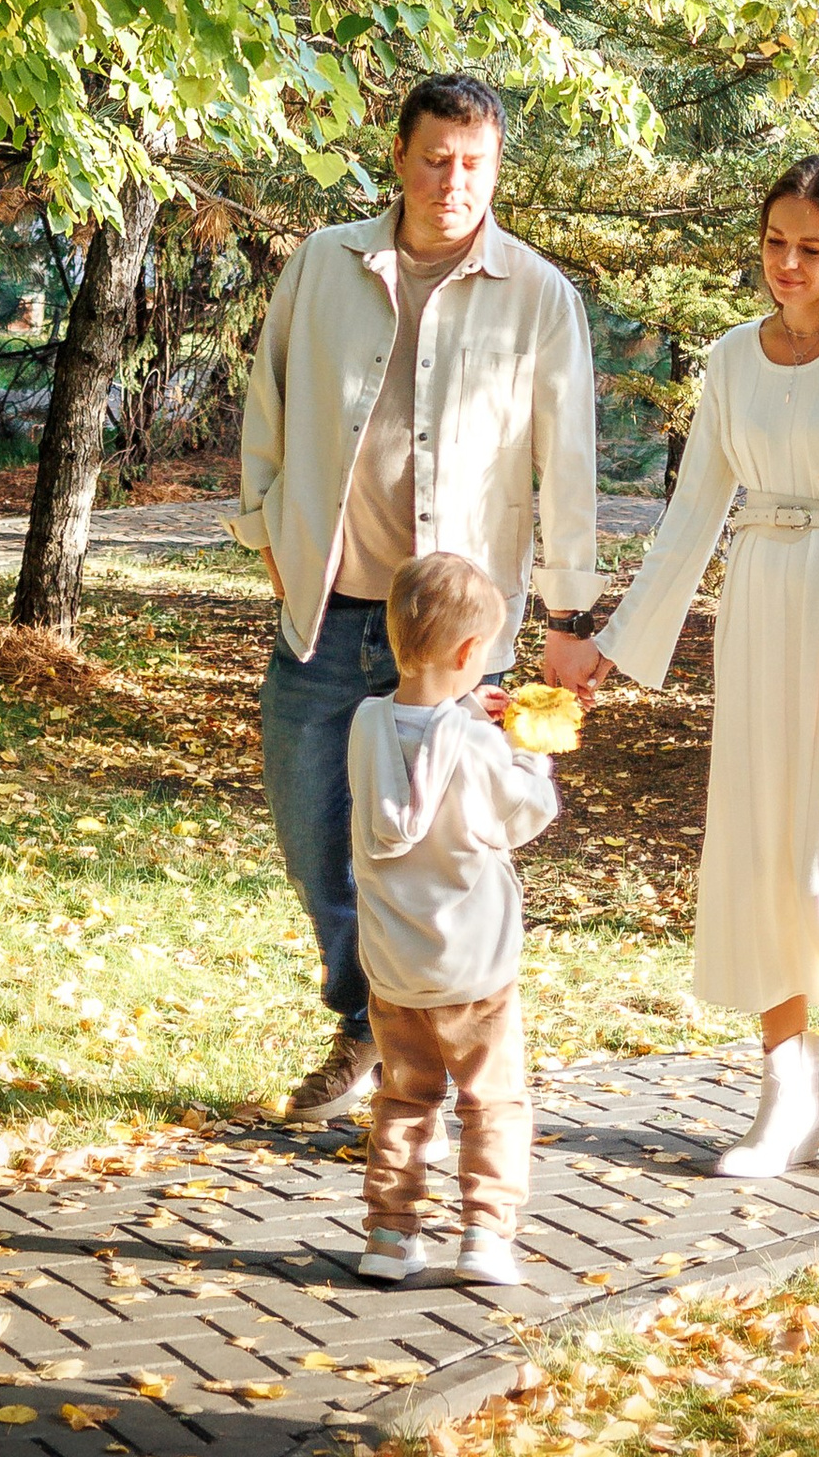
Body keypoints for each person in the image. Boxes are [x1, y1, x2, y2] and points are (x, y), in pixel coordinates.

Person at [555, 150, 819, 1182]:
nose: (786, 263)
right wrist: (616, 645)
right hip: (764, 610)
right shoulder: (731, 360)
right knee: (764, 847)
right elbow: (693, 519)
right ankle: (787, 1100)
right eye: (774, 243)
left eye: (810, 248)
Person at [233, 72, 604, 1126]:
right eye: (435, 158)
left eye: (474, 164)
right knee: (317, 852)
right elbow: (267, 410)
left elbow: (567, 470)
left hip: (451, 651)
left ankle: (411, 1059)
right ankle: (368, 1023)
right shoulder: (322, 265)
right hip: (325, 611)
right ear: (396, 157)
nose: (453, 182)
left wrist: (569, 620)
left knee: (434, 866)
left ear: (496, 169)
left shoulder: (537, 295)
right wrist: (268, 536)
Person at [346, 546, 557, 1286]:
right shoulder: (476, 746)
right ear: (473, 652)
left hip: (395, 968)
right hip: (475, 968)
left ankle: (390, 1235)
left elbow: (421, 738)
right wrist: (528, 751)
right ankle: (487, 1237)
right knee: (491, 1099)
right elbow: (525, 815)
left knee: (405, 1098)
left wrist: (469, 715)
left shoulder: (365, 723)